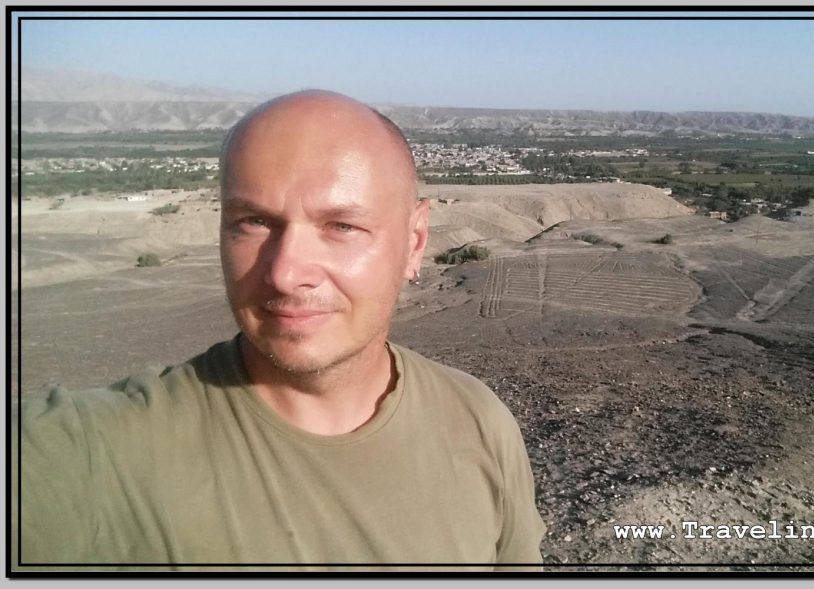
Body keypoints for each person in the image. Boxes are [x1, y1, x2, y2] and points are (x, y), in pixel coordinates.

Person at [13, 90, 546, 571]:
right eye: (253, 222)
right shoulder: (95, 453)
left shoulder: (477, 421)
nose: (286, 273)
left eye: (341, 226)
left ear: (414, 242)